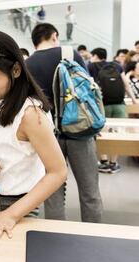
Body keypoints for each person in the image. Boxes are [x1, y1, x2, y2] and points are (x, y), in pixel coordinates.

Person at [0, 30, 67, 239]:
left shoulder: (30, 115)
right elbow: (0, 147)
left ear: (16, 70)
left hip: (19, 208)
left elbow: (57, 172)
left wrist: (11, 215)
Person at [26, 23, 103, 223]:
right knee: (90, 192)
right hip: (80, 131)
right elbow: (87, 92)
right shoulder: (69, 53)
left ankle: (56, 237)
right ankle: (93, 235)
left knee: (53, 194)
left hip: (47, 135)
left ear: (34, 42)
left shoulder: (28, 64)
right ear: (54, 36)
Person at [88, 47, 138, 173]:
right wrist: (133, 100)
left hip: (102, 105)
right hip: (119, 103)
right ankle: (114, 163)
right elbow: (126, 84)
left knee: (101, 131)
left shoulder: (91, 66)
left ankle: (103, 162)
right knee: (118, 132)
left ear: (95, 56)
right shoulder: (116, 66)